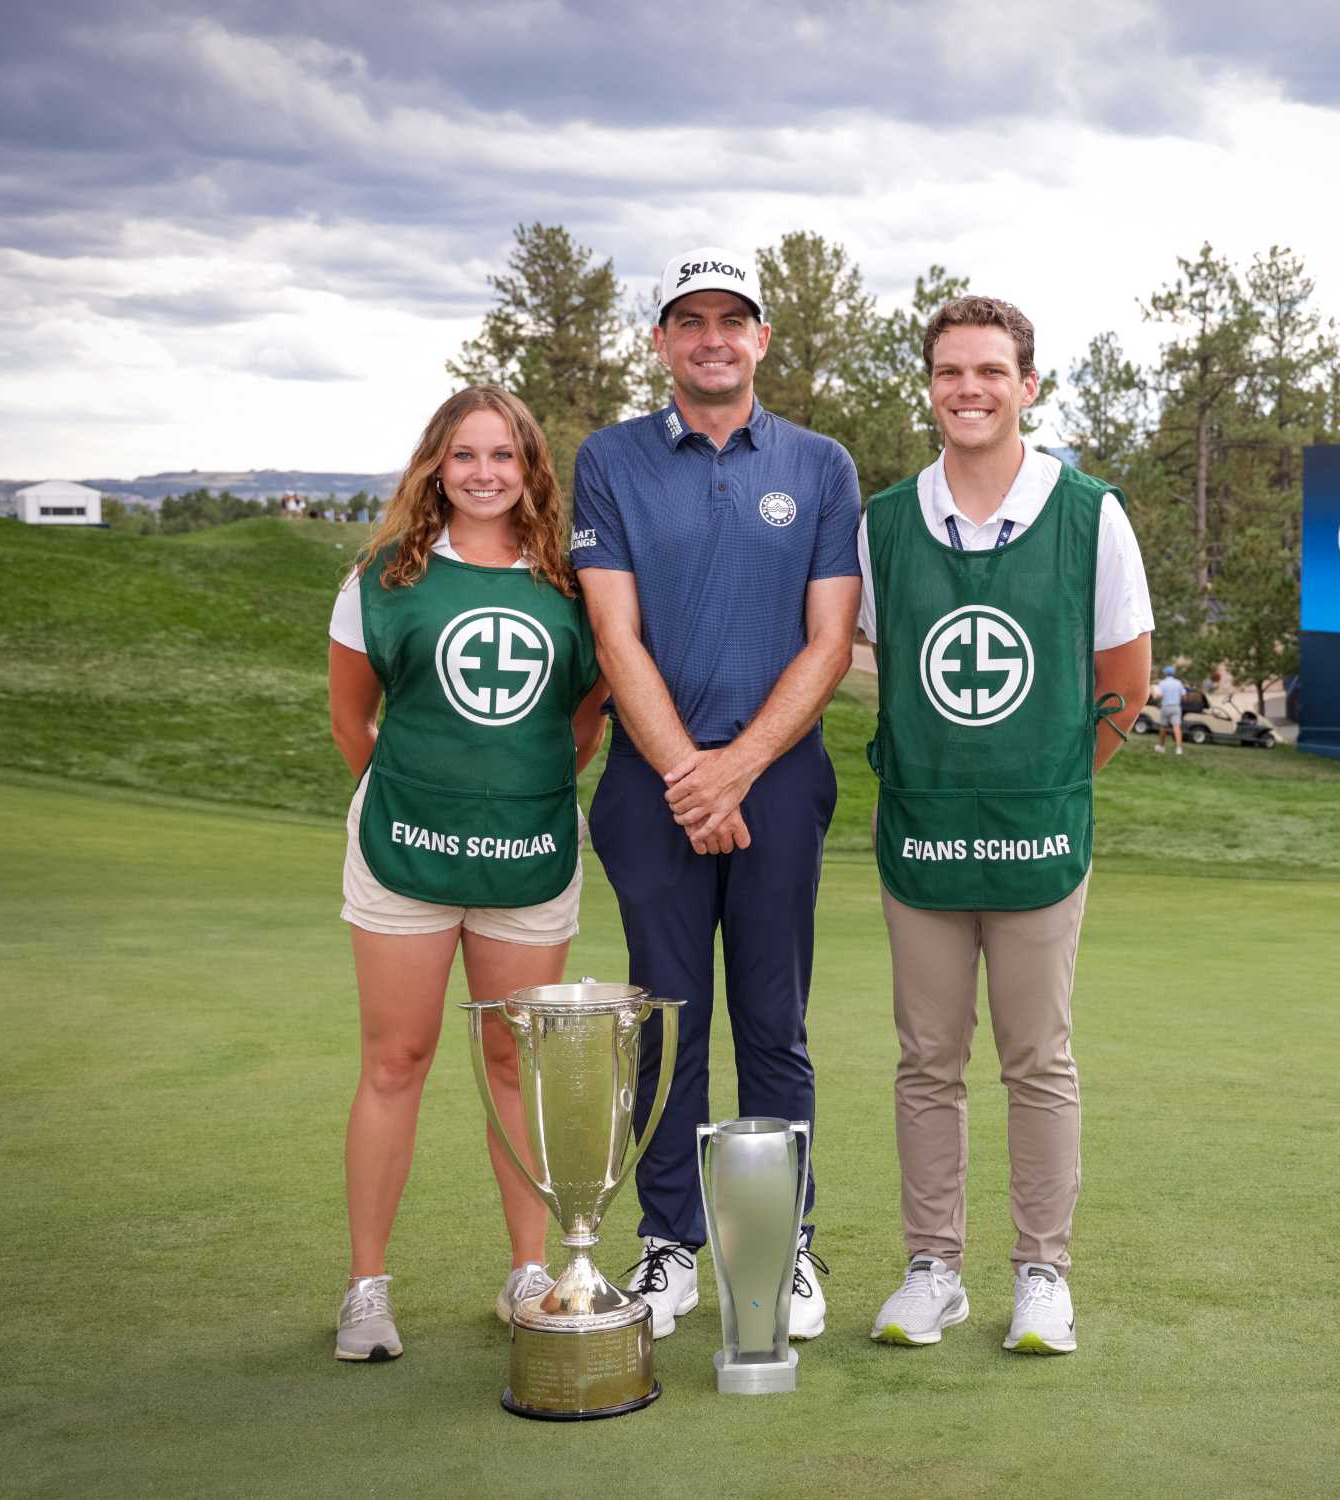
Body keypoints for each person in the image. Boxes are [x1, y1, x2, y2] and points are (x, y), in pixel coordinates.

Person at [573, 246, 860, 1342]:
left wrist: (732, 772)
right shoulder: (611, 459)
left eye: (731, 319)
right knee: (665, 1023)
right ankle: (667, 1248)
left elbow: (830, 642)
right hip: (651, 791)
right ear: (661, 341)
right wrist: (691, 779)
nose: (711, 337)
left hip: (778, 786)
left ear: (762, 339)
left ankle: (781, 1243)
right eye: (688, 320)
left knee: (774, 1022)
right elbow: (615, 632)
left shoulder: (821, 464)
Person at [858, 295, 1153, 1355]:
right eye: (950, 372)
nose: (969, 389)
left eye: (991, 371)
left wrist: (1051, 781)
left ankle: (1042, 1273)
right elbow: (874, 660)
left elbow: (1125, 680)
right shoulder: (886, 521)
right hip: (923, 836)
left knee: (1040, 1061)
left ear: (1029, 385)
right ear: (929, 388)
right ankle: (933, 1269)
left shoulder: (1089, 514)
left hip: (1040, 839)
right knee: (926, 1060)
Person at [326, 386, 608, 1361]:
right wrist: (426, 798)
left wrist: (513, 794)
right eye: (464, 456)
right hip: (404, 855)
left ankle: (530, 1271)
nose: (484, 473)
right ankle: (367, 1290)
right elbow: (351, 721)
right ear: (434, 467)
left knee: (514, 1066)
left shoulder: (572, 584)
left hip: (529, 856)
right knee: (394, 1061)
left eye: (504, 455)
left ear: (532, 468)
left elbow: (584, 717)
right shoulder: (382, 580)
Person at [1155, 665, 1186, 755]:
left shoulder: (1162, 683)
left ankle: (1161, 746)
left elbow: (1158, 695)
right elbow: (1184, 695)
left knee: (1163, 727)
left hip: (1165, 706)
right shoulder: (1178, 682)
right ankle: (1179, 748)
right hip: (1176, 707)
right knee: (1176, 727)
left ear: (1165, 673)